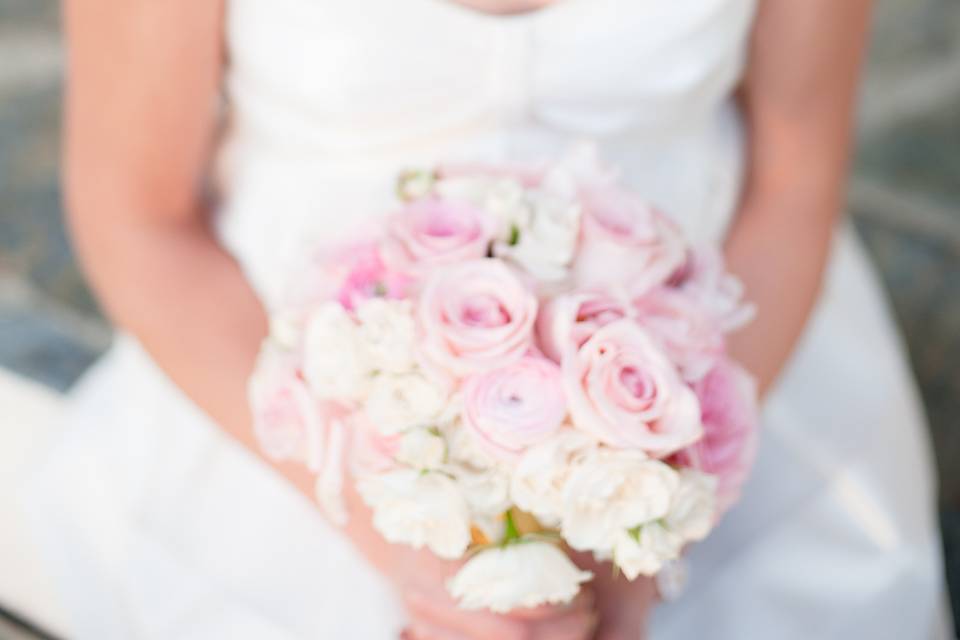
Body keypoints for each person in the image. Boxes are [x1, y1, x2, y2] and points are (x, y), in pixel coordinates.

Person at [29, 0, 948, 638]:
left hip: (722, 343)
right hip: (287, 381)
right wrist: (398, 526)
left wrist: (651, 505)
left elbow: (793, 183)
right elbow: (140, 217)